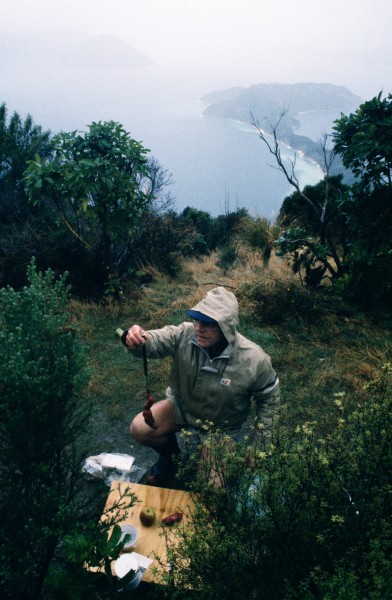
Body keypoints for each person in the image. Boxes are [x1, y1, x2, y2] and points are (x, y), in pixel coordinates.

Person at [122, 286, 280, 486]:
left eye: (208, 323)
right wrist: (133, 337)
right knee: (139, 428)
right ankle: (171, 462)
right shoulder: (185, 334)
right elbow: (153, 341)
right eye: (197, 319)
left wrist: (260, 448)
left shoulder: (254, 360)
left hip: (220, 428)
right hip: (182, 407)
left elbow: (269, 401)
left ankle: (218, 458)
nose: (199, 328)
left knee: (210, 488)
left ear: (226, 326)